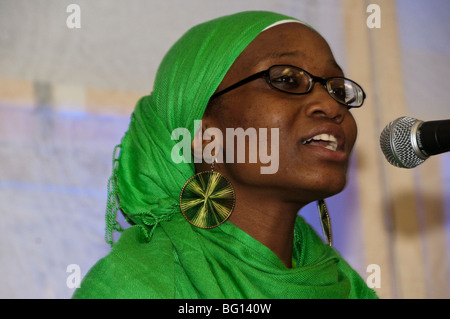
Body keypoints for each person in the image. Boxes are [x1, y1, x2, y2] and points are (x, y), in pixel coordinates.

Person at [73, 10, 378, 299]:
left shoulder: (343, 285)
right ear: (205, 135)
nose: (332, 105)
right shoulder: (135, 284)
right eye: (286, 79)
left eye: (338, 89)